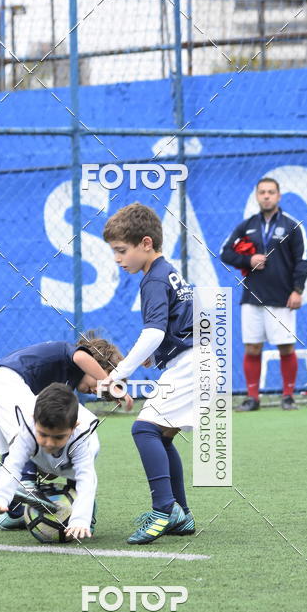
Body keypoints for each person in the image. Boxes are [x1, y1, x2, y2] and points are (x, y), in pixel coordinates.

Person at [100, 203, 195, 545]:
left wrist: (118, 374)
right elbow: (176, 325)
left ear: (145, 243)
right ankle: (180, 514)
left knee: (143, 430)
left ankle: (163, 509)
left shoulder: (152, 279)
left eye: (121, 251)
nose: (117, 259)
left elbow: (154, 332)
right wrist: (154, 358)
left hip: (191, 365)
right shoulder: (167, 270)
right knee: (162, 434)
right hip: (196, 361)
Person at [0, 333, 128, 530]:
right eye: (103, 377)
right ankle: (28, 484)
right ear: (96, 363)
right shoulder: (72, 354)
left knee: (12, 451)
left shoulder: (61, 382)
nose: (98, 390)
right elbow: (82, 358)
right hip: (6, 385)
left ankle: (14, 512)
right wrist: (113, 384)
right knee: (25, 439)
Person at [220, 177, 307, 411]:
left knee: (286, 347)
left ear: (279, 196)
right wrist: (248, 259)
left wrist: (297, 290)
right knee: (252, 347)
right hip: (252, 297)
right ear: (257, 196)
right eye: (262, 192)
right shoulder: (247, 225)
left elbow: (302, 261)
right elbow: (225, 253)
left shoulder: (292, 226)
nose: (267, 196)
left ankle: (288, 396)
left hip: (282, 298)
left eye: (271, 192)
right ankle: (253, 398)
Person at [0, 383, 99, 541]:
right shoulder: (27, 429)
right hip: (37, 454)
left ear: (74, 427)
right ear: (34, 421)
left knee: (77, 481)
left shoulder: (83, 440)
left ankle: (85, 518)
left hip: (71, 459)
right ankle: (27, 485)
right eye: (43, 434)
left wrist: (80, 519)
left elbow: (87, 479)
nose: (49, 443)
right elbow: (12, 465)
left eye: (58, 437)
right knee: (20, 452)